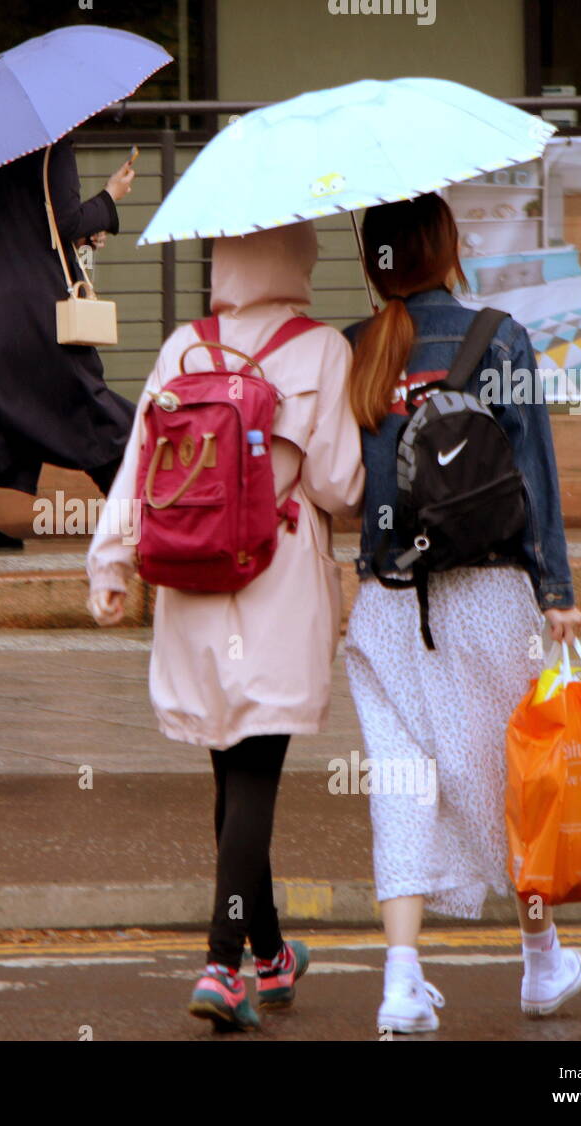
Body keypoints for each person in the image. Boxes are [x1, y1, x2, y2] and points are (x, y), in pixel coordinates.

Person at [87, 221, 364, 1032]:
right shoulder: (322, 350)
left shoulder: (184, 347)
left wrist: (109, 565)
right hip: (276, 582)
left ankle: (269, 955)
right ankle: (220, 963)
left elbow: (137, 469)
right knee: (254, 779)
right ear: (296, 257)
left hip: (190, 584)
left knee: (232, 773)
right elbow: (341, 484)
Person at [341, 193, 581, 1035]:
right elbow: (534, 472)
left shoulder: (355, 347)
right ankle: (541, 958)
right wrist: (556, 592)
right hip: (488, 597)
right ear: (447, 247)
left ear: (374, 259)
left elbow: (344, 485)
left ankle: (401, 981)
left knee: (401, 786)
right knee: (510, 779)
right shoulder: (501, 336)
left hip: (388, 602)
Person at [0, 137, 137, 553]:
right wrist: (110, 197)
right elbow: (66, 221)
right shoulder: (54, 146)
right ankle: (132, 520)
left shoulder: (4, 147)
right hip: (36, 302)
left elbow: (33, 224)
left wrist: (80, 237)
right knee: (84, 402)